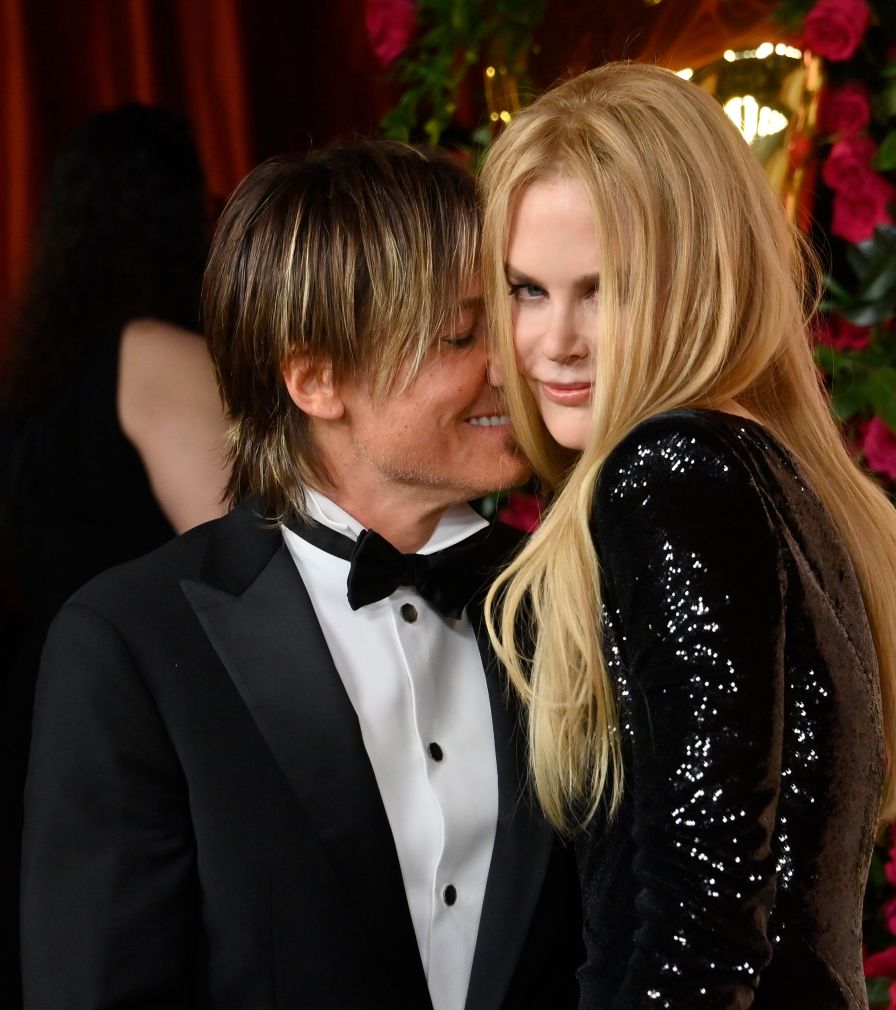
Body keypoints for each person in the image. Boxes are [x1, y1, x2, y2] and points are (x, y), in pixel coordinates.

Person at [21, 141, 581, 1009]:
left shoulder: (568, 600)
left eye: (506, 321)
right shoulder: (128, 643)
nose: (515, 364)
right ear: (317, 378)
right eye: (462, 334)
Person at [481, 62, 896, 1010]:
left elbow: (701, 931)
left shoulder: (667, 470)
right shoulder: (776, 468)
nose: (553, 342)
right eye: (527, 290)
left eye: (601, 291)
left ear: (693, 283)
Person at [1, 104, 226, 1005]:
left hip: (36, 708)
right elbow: (239, 567)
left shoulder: (36, 380)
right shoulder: (158, 354)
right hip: (139, 716)